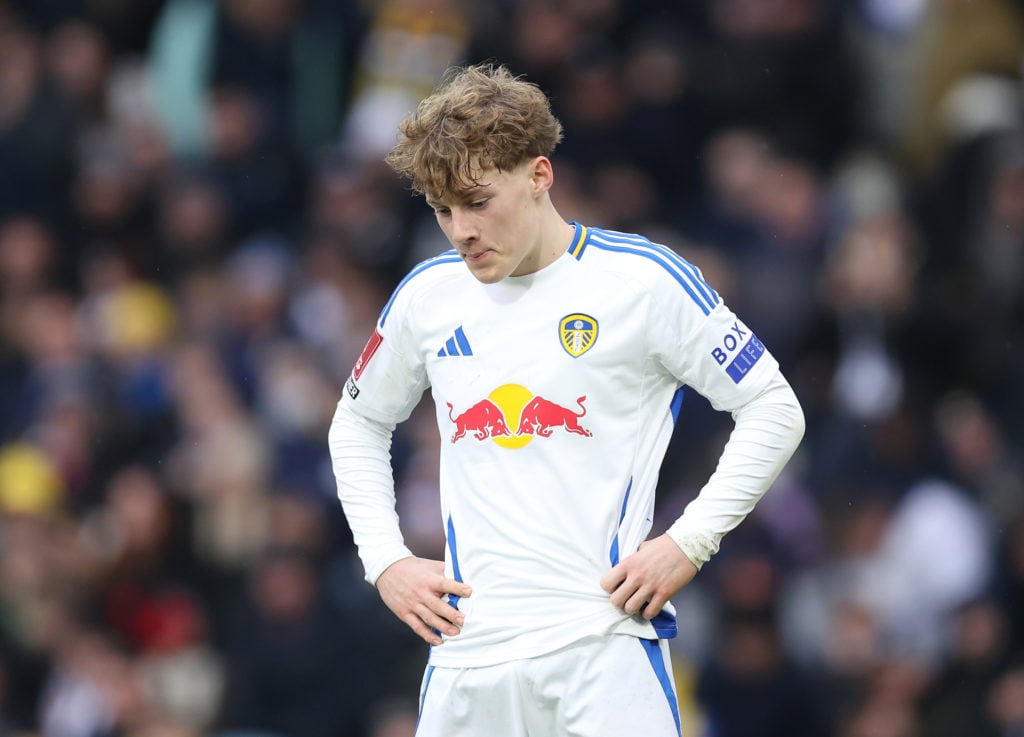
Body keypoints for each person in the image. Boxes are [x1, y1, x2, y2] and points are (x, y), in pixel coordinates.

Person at [328, 63, 805, 737]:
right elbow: (358, 421)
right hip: (469, 658)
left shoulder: (642, 282)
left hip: (601, 649)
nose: (460, 229)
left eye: (477, 199)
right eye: (442, 209)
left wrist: (688, 542)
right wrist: (386, 561)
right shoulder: (427, 296)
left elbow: (774, 406)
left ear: (539, 176)